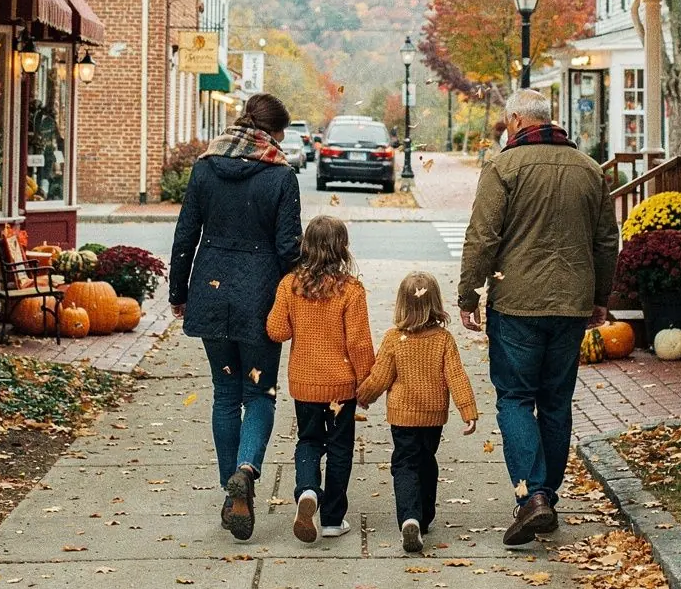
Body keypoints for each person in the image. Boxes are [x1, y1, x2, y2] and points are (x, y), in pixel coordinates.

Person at [458, 88, 619, 547]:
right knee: (555, 400)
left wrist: (468, 294)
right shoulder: (589, 170)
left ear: (515, 121)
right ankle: (547, 492)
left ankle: (533, 497)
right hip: (571, 305)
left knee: (514, 397)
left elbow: (483, 237)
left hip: (517, 304)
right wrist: (599, 297)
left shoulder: (504, 167)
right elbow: (607, 241)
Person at [168, 92, 302, 542]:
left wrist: (178, 292)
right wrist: (298, 299)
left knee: (225, 392)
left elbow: (186, 234)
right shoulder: (280, 175)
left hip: (210, 292)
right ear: (272, 132)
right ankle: (245, 471)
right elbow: (288, 248)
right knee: (259, 391)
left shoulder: (205, 168)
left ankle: (232, 492)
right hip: (260, 298)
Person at [267, 215, 375, 544]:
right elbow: (359, 343)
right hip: (342, 387)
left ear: (306, 247)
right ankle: (332, 519)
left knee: (309, 441)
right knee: (340, 448)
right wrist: (367, 383)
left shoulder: (290, 285)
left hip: (305, 383)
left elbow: (277, 330)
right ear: (342, 249)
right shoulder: (351, 290)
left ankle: (307, 491)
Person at [357, 271, 477, 554]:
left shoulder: (393, 339)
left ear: (402, 304)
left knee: (405, 463)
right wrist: (468, 410)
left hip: (402, 416)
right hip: (433, 416)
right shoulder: (444, 339)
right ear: (435, 303)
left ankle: (409, 517)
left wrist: (362, 397)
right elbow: (456, 376)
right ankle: (424, 516)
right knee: (426, 460)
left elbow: (380, 377)